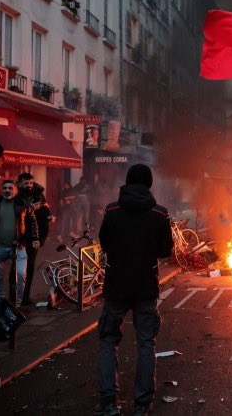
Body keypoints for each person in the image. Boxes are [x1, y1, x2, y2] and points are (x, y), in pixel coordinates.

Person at [96, 164, 173, 416]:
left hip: (116, 285)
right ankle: (142, 404)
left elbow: (104, 242)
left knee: (109, 342)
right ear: (149, 184)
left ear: (127, 182)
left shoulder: (112, 210)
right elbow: (164, 251)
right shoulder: (159, 214)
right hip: (145, 287)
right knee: (146, 343)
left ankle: (108, 404)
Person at [0, 180, 39, 304]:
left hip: (19, 246)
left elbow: (32, 222)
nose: (7, 190)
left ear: (15, 190)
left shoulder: (24, 205)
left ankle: (17, 304)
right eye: (5, 188)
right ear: (0, 190)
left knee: (21, 275)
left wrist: (35, 238)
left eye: (10, 188)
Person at [16, 173, 52, 306]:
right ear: (20, 184)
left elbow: (46, 209)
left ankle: (25, 295)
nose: (29, 186)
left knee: (30, 265)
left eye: (31, 183)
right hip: (20, 235)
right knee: (18, 268)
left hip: (35, 235)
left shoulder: (39, 194)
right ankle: (16, 295)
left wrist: (48, 216)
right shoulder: (16, 196)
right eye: (26, 183)